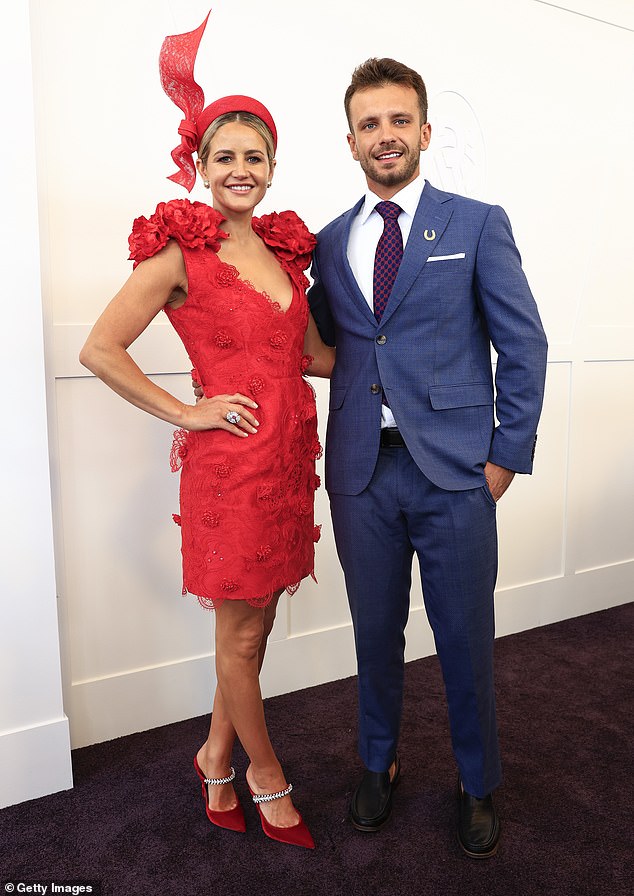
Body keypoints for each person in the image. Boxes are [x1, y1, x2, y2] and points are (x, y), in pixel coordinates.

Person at [79, 13, 333, 850]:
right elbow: (101, 349)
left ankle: (214, 753)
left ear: (271, 167)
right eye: (223, 156)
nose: (240, 169)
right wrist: (189, 410)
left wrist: (415, 342)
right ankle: (265, 776)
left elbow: (312, 356)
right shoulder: (178, 252)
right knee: (241, 630)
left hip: (290, 460)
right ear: (200, 164)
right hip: (229, 471)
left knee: (252, 628)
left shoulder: (286, 253)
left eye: (254, 156)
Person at [307, 57, 548, 857]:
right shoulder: (331, 240)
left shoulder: (477, 223)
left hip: (455, 474)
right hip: (360, 475)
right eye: (370, 124)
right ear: (350, 141)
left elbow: (523, 344)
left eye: (399, 120)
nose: (386, 136)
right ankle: (379, 763)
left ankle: (477, 781)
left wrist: (505, 458)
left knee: (465, 636)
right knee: (373, 635)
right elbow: (328, 345)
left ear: (424, 132)